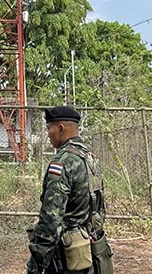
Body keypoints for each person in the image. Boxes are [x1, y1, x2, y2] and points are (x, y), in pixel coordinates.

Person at [27, 106, 112, 274]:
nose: (48, 134)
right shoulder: (90, 157)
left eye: (49, 128)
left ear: (61, 129)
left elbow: (51, 220)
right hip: (90, 252)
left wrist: (35, 264)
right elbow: (99, 207)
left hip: (67, 258)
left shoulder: (62, 162)